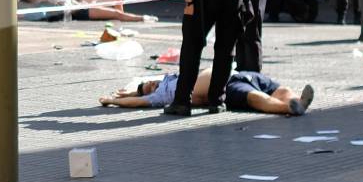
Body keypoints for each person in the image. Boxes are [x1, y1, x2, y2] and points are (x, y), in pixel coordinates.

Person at [165, 0, 250, 116]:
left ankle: (181, 103)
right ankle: (217, 102)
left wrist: (189, 2)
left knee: (192, 48)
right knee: (226, 50)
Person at [98, 69, 315, 116]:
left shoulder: (169, 77)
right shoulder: (165, 94)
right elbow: (138, 103)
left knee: (282, 89)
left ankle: (298, 100)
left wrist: (131, 89)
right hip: (225, 87)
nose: (149, 85)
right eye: (144, 89)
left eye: (148, 83)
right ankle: (289, 107)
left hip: (237, 73)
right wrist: (114, 101)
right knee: (256, 98)